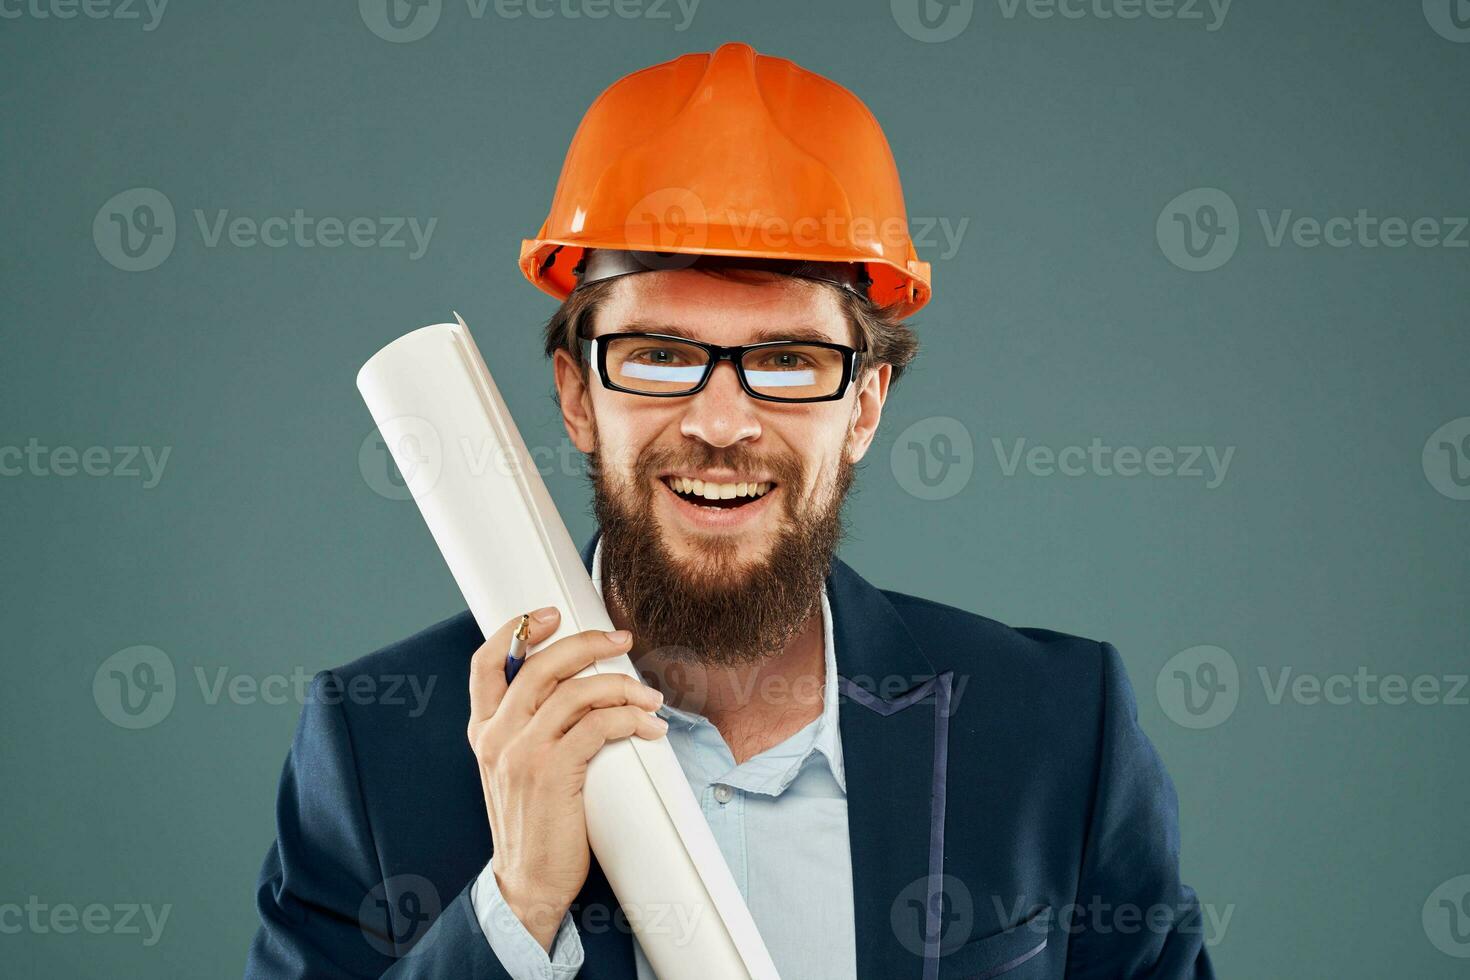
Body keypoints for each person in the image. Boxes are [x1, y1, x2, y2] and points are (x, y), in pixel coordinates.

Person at [245, 42, 1214, 980]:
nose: (719, 422)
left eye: (789, 361)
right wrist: (515, 908)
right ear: (578, 396)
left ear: (866, 403)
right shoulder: (376, 750)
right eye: (660, 354)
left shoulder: (1053, 732)